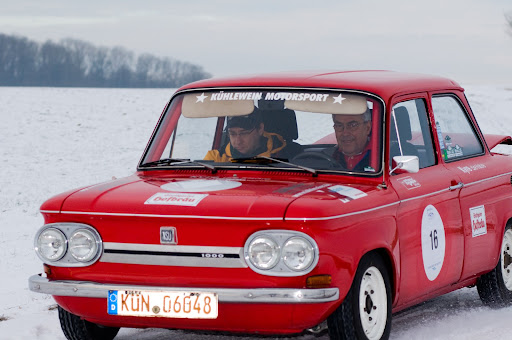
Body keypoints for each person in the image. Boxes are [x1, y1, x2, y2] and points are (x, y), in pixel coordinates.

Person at [204, 110, 287, 162]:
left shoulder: (289, 157)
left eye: (244, 133)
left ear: (260, 129)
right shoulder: (215, 159)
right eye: (232, 134)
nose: (238, 142)